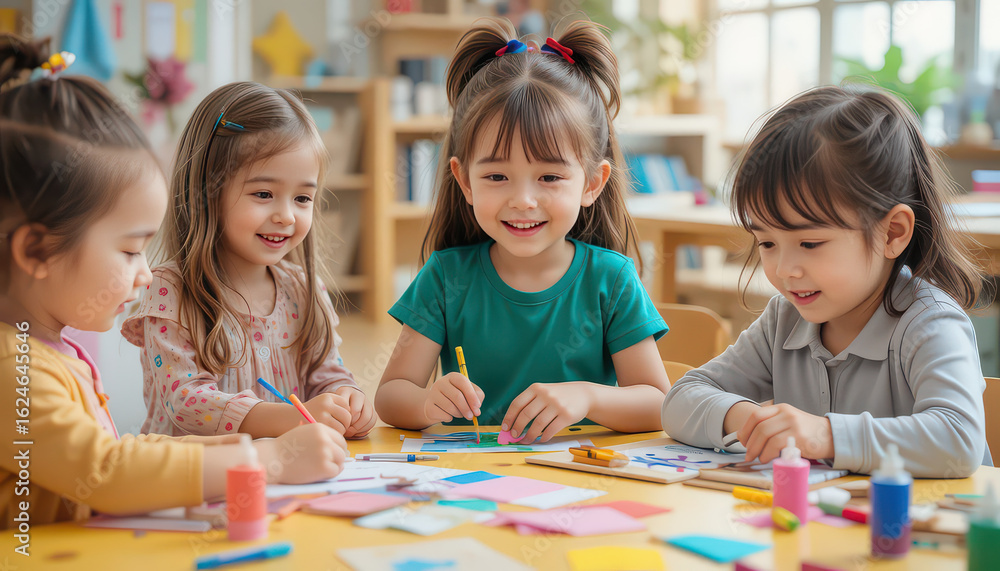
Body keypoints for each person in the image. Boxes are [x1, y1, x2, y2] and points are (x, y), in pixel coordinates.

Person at [0, 36, 346, 526]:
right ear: (36, 251)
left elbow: (117, 454)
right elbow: (106, 474)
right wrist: (267, 459)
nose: (144, 272)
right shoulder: (14, 369)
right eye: (128, 250)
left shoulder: (47, 355)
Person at [662, 85, 994, 477]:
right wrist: (745, 416)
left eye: (810, 243)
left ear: (892, 233)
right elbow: (679, 400)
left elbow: (958, 440)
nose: (785, 269)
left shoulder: (929, 323)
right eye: (767, 242)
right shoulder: (784, 320)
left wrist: (824, 435)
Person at [375, 19, 670, 443]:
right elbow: (389, 396)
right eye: (497, 176)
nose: (523, 200)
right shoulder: (444, 278)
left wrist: (588, 397)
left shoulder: (612, 279)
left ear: (592, 183)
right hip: (470, 487)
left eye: (549, 177)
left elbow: (659, 403)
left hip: (579, 482)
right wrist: (425, 403)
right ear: (464, 181)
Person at [121, 82, 374, 439]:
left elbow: (326, 374)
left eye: (303, 198)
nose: (286, 216)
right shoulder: (170, 290)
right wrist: (289, 419)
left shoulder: (303, 289)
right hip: (196, 481)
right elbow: (187, 402)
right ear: (207, 193)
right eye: (264, 194)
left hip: (287, 476)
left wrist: (346, 399)